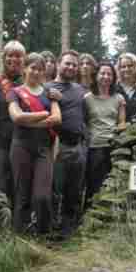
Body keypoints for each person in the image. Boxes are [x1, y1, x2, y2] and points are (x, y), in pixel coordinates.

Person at [8, 53, 61, 235]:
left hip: (43, 149)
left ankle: (44, 235)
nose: (36, 72)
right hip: (21, 147)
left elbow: (57, 118)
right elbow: (17, 117)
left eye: (40, 69)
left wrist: (30, 121)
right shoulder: (15, 92)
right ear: (24, 69)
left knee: (42, 196)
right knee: (21, 196)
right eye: (33, 68)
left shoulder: (49, 93)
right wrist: (43, 116)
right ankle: (19, 238)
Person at [46, 50, 87, 238]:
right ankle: (52, 226)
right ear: (58, 64)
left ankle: (69, 227)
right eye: (67, 63)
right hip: (57, 146)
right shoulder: (47, 88)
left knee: (74, 189)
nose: (71, 67)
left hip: (78, 146)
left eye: (74, 65)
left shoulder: (80, 90)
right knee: (55, 189)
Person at [84, 61, 126, 210]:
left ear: (113, 77)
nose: (106, 77)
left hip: (113, 147)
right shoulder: (87, 98)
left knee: (113, 184)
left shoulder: (119, 98)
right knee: (94, 185)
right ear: (96, 76)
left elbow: (121, 123)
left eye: (109, 74)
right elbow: (84, 123)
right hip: (94, 147)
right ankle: (90, 216)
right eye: (102, 73)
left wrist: (117, 135)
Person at [0, 40, 26, 200]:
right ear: (3, 58)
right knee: (2, 183)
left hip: (24, 141)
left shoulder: (29, 82)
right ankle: (3, 220)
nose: (14, 59)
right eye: (10, 55)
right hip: (0, 142)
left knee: (22, 182)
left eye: (18, 55)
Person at [116, 52, 136, 122]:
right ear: (119, 69)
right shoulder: (115, 88)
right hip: (119, 129)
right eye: (123, 67)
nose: (126, 69)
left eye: (130, 66)